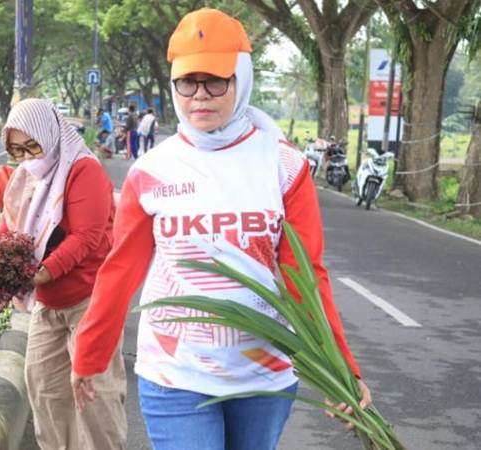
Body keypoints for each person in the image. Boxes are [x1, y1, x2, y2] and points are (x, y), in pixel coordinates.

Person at [70, 9, 372, 450]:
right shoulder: (151, 169)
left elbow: (306, 276)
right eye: (187, 82)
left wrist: (341, 369)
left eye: (216, 80)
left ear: (241, 78)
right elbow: (121, 270)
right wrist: (90, 352)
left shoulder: (282, 164)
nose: (200, 96)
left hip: (263, 371)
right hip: (174, 369)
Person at [0, 99, 125, 449]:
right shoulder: (25, 178)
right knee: (44, 389)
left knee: (94, 394)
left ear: (50, 135)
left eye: (32, 146)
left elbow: (87, 237)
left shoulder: (84, 170)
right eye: (17, 150)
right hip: (49, 302)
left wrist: (40, 273)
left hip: (90, 300)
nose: (27, 158)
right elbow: (8, 230)